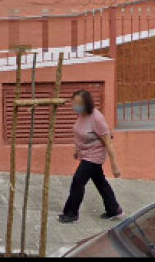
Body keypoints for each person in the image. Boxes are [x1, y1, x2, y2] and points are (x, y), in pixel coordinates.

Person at [58, 89, 122, 223]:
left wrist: (115, 166)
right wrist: (77, 149)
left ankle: (71, 213)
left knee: (78, 181)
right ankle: (114, 209)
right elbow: (80, 133)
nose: (75, 106)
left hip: (94, 156)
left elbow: (108, 142)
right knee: (100, 182)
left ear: (86, 103)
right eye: (74, 103)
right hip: (86, 154)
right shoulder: (81, 114)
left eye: (78, 103)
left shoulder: (97, 118)